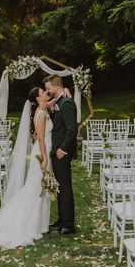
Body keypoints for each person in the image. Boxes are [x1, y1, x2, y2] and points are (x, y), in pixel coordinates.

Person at [0, 87, 53, 248]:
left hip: (42, 150)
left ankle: (40, 223)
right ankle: (32, 224)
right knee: (36, 187)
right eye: (43, 92)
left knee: (38, 186)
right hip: (42, 152)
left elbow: (48, 108)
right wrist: (44, 160)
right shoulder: (41, 114)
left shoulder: (42, 109)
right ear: (38, 98)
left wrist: (62, 94)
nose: (46, 93)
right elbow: (42, 139)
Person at [43, 74, 77, 235]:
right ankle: (62, 219)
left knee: (65, 186)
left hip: (61, 153)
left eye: (49, 89)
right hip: (56, 152)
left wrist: (62, 150)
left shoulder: (67, 103)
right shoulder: (59, 102)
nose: (47, 91)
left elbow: (72, 130)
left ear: (56, 87)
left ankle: (68, 224)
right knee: (60, 187)